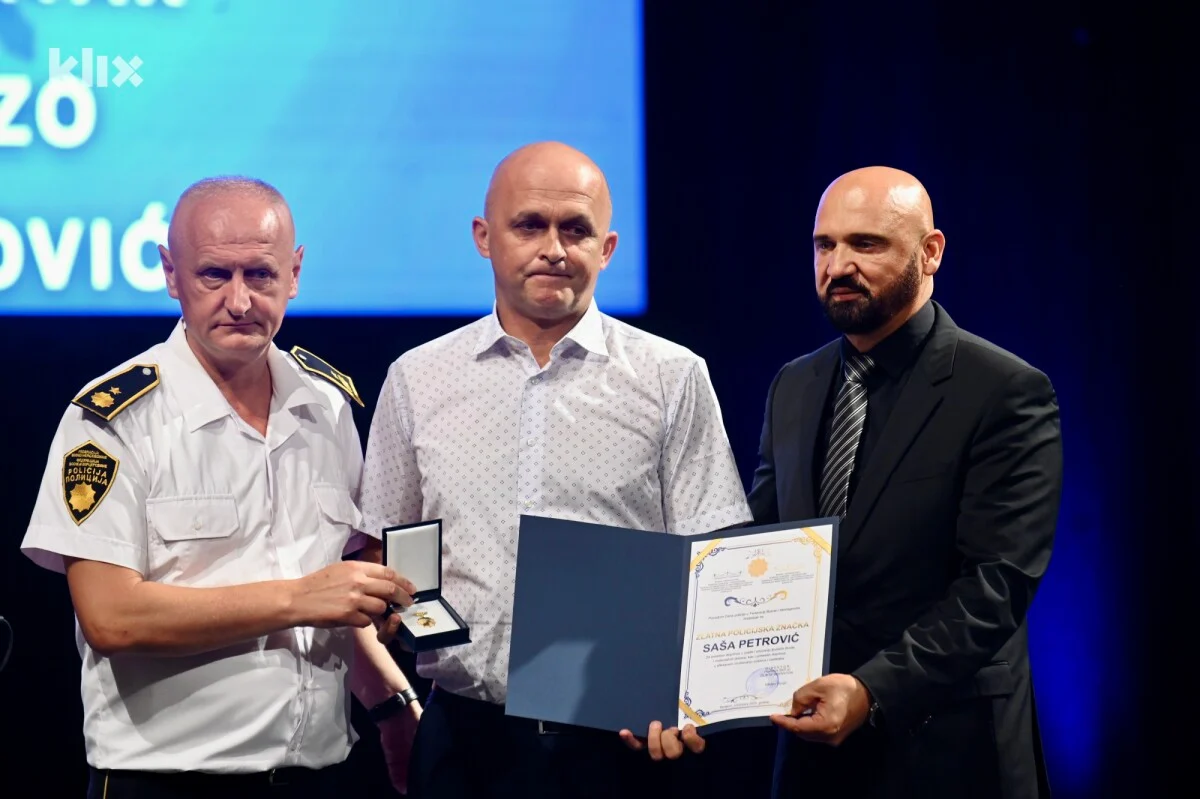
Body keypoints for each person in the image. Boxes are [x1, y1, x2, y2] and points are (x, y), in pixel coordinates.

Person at [360, 141, 753, 798]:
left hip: (620, 746)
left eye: (576, 229)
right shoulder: (417, 378)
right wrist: (399, 609)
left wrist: (695, 697)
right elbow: (387, 544)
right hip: (462, 740)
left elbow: (715, 559)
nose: (554, 248)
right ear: (484, 237)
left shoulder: (671, 376)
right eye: (529, 225)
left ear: (608, 247)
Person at [20, 177, 425, 798]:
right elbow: (112, 618)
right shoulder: (111, 420)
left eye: (260, 275)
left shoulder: (327, 406)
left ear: (294, 273)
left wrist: (392, 704)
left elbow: (337, 604)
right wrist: (298, 597)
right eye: (214, 274)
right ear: (170, 273)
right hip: (165, 782)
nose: (239, 301)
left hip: (321, 776)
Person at [748, 166, 1062, 798]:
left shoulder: (1005, 390)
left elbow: (996, 586)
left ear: (931, 252)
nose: (838, 265)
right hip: (812, 757)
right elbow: (758, 549)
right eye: (824, 245)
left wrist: (870, 691)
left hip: (951, 755)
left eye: (865, 244)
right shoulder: (794, 385)